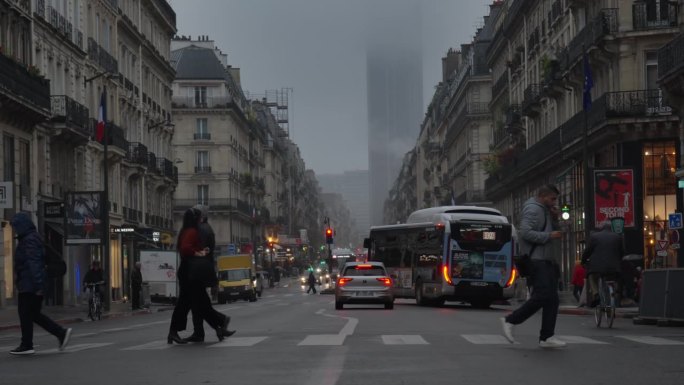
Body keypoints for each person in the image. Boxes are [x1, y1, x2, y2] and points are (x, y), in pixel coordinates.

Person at [500, 184, 567, 348]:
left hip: (547, 260)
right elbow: (524, 232)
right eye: (552, 198)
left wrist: (555, 218)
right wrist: (548, 235)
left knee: (552, 299)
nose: (554, 202)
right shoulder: (533, 210)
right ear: (543, 196)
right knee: (543, 295)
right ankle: (510, 320)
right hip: (537, 260)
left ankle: (547, 337)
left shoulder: (545, 210)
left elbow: (558, 230)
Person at [167, 207, 234, 344]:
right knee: (196, 303)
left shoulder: (185, 231)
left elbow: (185, 247)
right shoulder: (192, 231)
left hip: (188, 270)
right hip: (191, 272)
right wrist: (198, 252)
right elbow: (186, 248)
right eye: (198, 218)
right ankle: (220, 322)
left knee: (195, 303)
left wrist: (200, 250)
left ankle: (218, 326)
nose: (200, 220)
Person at [9, 212, 72, 355]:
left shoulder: (29, 240)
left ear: (22, 226)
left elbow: (33, 264)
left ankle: (27, 344)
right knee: (33, 314)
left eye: (16, 227)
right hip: (30, 283)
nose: (15, 230)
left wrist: (37, 286)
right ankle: (60, 333)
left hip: (30, 285)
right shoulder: (30, 238)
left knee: (26, 313)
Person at [183, 205, 221, 343]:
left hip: (197, 271)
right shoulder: (207, 228)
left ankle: (203, 331)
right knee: (200, 304)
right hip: (204, 269)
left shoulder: (200, 230)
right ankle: (216, 328)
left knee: (197, 304)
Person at [581, 221, 624, 307]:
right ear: (611, 228)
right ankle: (616, 291)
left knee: (591, 277)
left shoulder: (594, 236)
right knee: (616, 278)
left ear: (602, 228)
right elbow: (622, 252)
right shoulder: (617, 237)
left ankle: (596, 294)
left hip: (596, 267)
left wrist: (583, 261)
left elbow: (587, 251)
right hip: (613, 267)